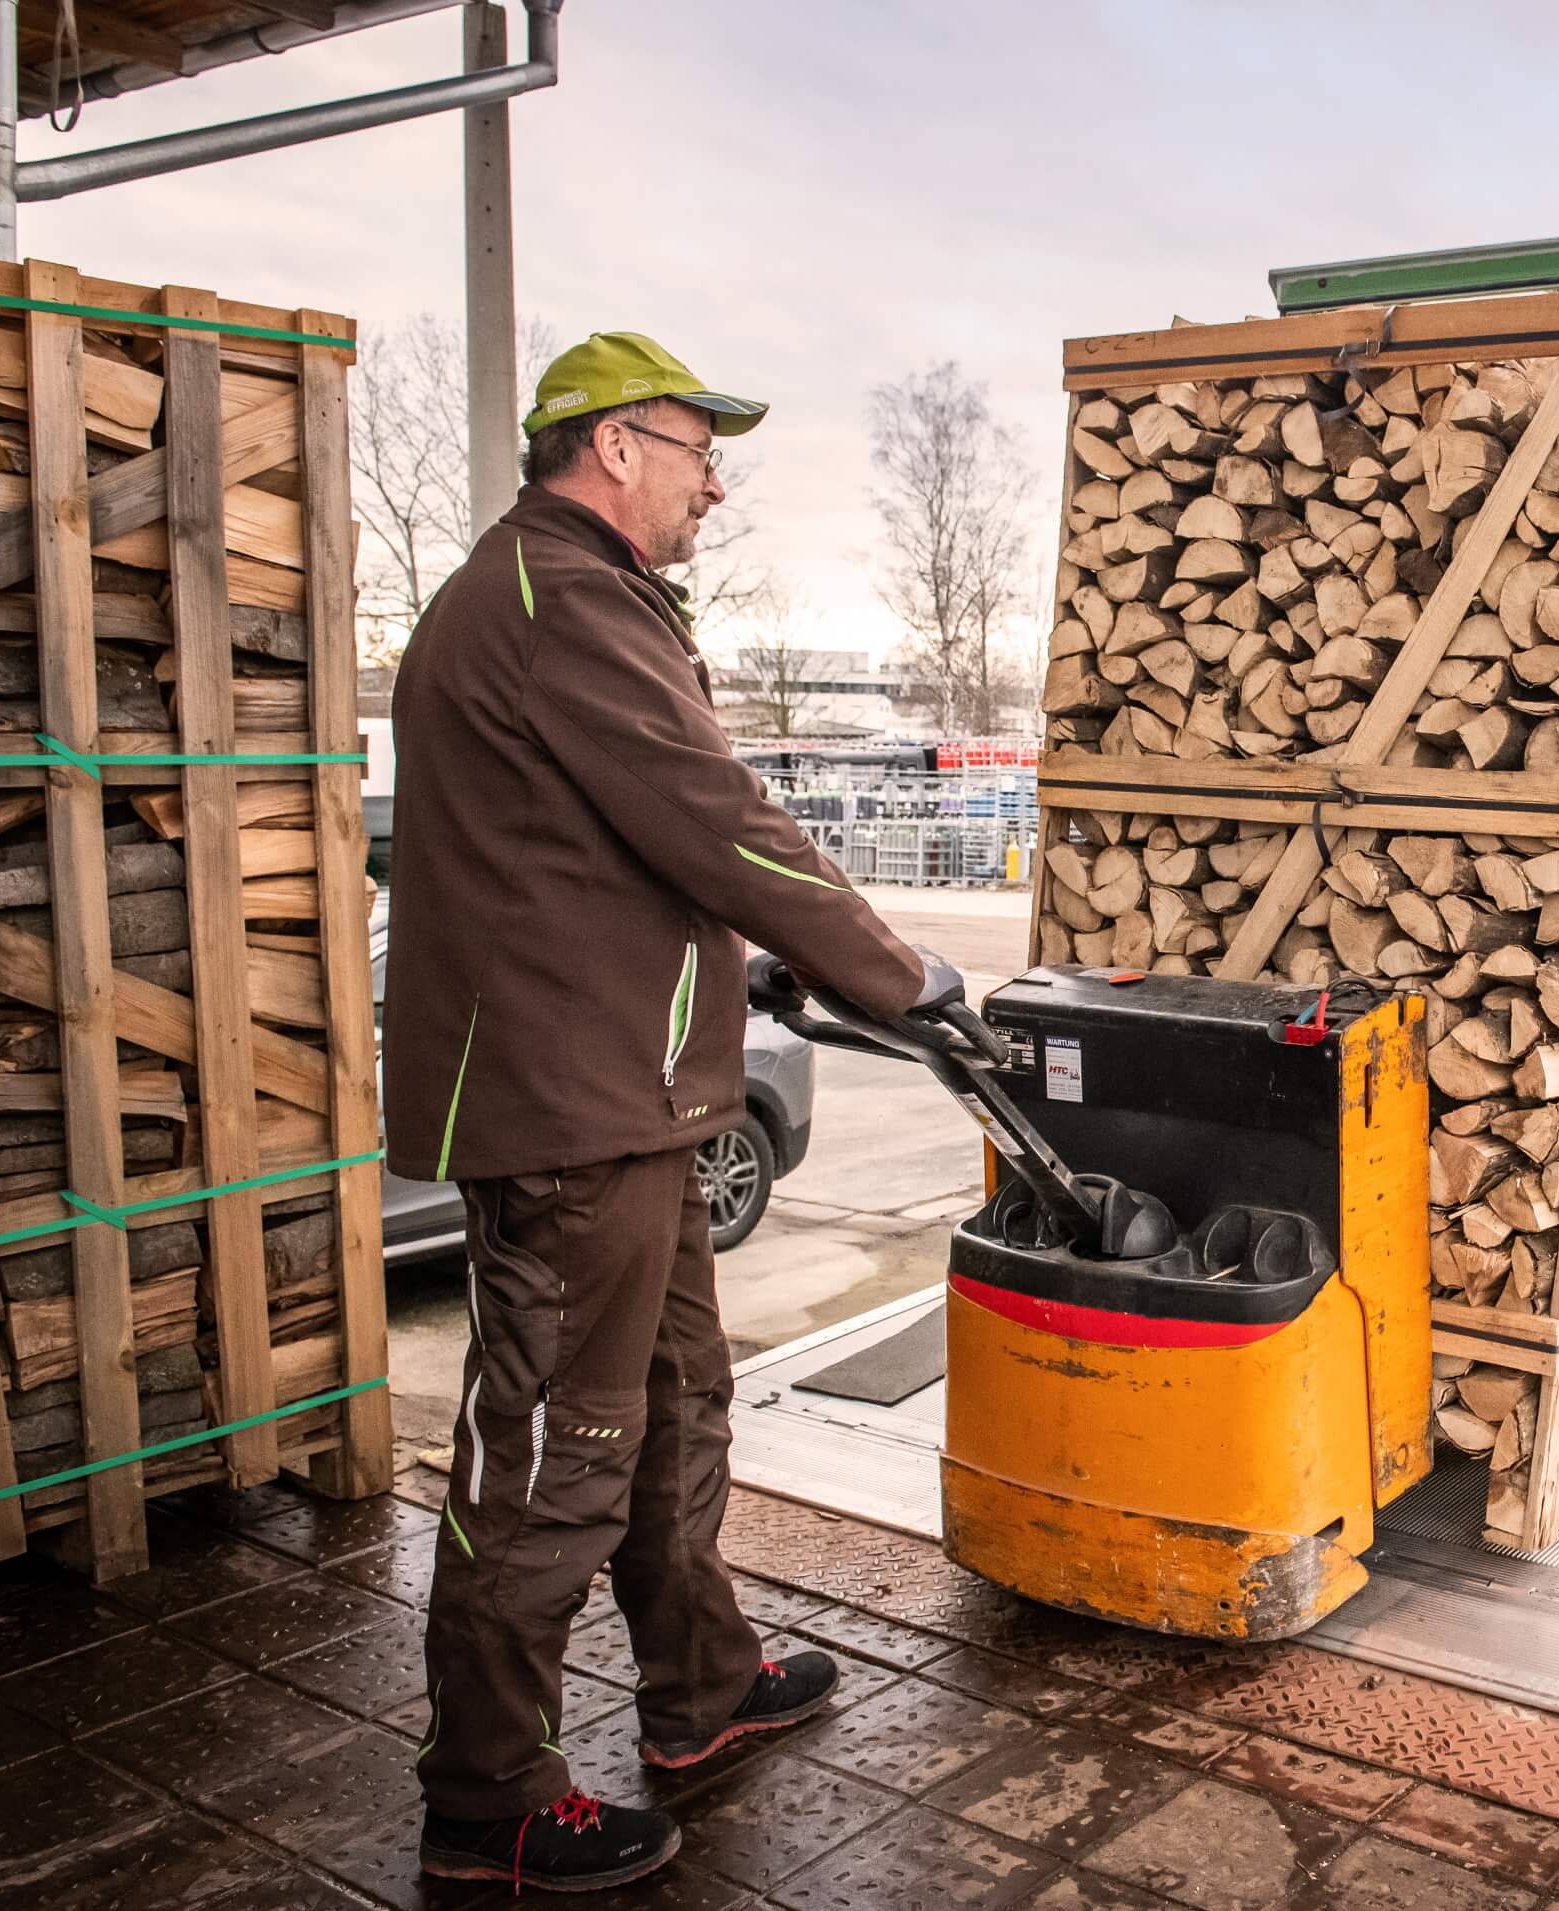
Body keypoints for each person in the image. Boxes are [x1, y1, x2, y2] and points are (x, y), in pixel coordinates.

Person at [385, 333, 955, 1891]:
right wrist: (899, 972)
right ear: (616, 447)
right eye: (701, 450)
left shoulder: (577, 594)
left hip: (632, 1096)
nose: (717, 481)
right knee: (558, 1443)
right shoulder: (557, 598)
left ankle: (700, 1688)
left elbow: (617, 848)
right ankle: (488, 1792)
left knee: (678, 1401)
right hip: (568, 1106)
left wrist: (759, 970)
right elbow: (711, 814)